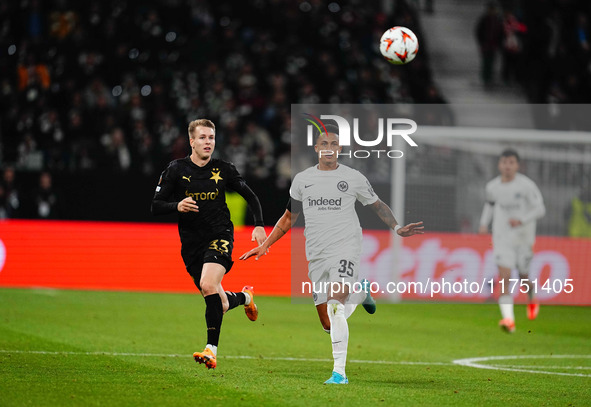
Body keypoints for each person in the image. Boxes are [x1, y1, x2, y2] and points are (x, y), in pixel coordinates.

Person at [240, 124, 424, 384]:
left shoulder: (354, 177)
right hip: (316, 252)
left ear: (339, 149)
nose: (328, 148)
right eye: (323, 144)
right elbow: (289, 218)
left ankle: (339, 372)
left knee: (337, 306)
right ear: (316, 149)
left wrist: (396, 227)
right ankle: (360, 293)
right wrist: (267, 243)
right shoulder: (302, 180)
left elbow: (377, 205)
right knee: (328, 323)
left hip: (346, 247)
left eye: (333, 144)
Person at [151, 118, 267, 369]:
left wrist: (259, 224)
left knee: (207, 283)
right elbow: (155, 205)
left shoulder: (224, 169)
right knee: (220, 302)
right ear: (191, 141)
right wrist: (177, 205)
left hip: (220, 235)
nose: (208, 142)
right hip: (192, 244)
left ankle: (211, 350)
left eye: (211, 138)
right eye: (202, 137)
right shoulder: (175, 169)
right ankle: (246, 297)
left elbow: (251, 195)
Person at [479, 149, 546, 333]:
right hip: (502, 238)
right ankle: (509, 320)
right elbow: (490, 205)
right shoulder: (492, 187)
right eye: (504, 163)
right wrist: (484, 223)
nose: (507, 166)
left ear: (517, 165)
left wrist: (521, 220)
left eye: (511, 163)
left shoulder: (526, 186)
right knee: (505, 277)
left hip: (524, 239)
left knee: (523, 277)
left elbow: (540, 209)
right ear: (499, 165)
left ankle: (531, 295)